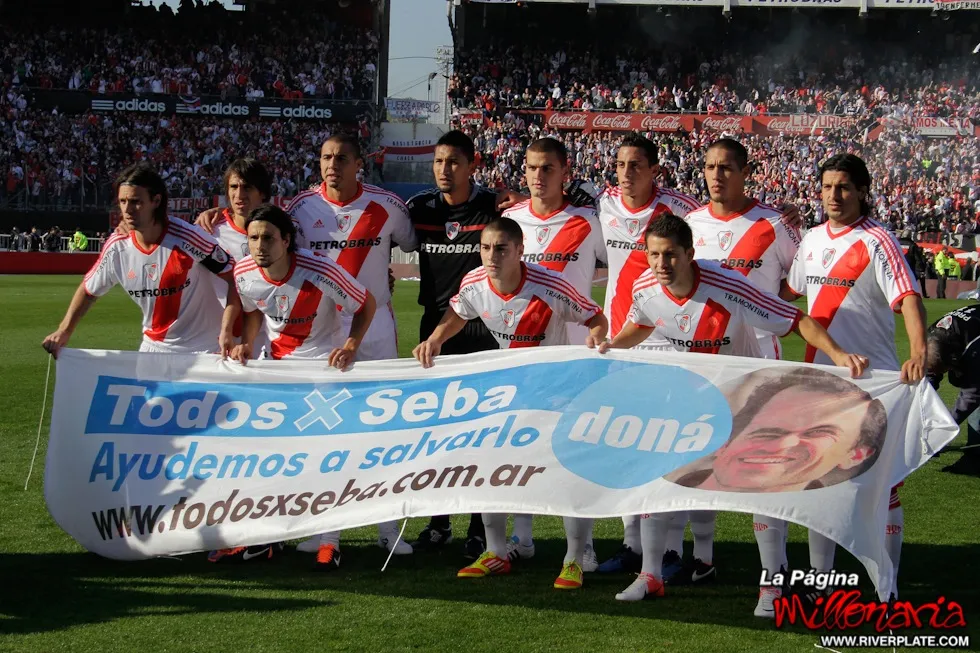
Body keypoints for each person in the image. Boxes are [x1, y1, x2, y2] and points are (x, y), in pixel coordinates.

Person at [598, 212, 868, 603]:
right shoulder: (645, 286)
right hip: (690, 403)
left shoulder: (728, 285)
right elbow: (641, 324)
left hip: (746, 404)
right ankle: (651, 575)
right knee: (658, 484)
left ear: (689, 254)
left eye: (670, 254)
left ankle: (772, 583)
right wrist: (612, 344)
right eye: (654, 255)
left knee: (763, 490)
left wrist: (839, 354)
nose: (661, 263)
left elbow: (796, 319)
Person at [413, 216, 609, 591]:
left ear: (520, 250)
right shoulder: (474, 282)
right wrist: (436, 338)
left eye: (501, 249)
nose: (492, 256)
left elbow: (595, 316)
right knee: (492, 470)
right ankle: (496, 553)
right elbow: (458, 313)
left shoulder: (551, 286)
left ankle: (574, 559)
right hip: (508, 394)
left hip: (556, 394)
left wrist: (596, 339)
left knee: (568, 476)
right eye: (486, 248)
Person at [782, 153, 927, 604]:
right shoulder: (810, 239)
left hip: (873, 382)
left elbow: (908, 298)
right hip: (821, 380)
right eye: (827, 187)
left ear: (862, 191)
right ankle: (819, 582)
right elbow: (788, 293)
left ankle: (888, 586)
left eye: (843, 187)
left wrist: (919, 352)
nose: (834, 195)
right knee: (818, 482)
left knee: (883, 488)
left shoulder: (878, 240)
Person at [207, 204, 377, 567]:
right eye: (253, 238)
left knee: (327, 459)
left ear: (286, 240)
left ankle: (330, 542)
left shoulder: (321, 270)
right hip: (278, 373)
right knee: (270, 458)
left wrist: (350, 346)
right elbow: (253, 310)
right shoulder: (244, 272)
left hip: (322, 372)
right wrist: (247, 342)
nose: (259, 246)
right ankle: (266, 538)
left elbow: (366, 304)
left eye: (268, 238)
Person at [286, 134, 418, 558]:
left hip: (375, 326)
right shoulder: (300, 209)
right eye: (326, 157)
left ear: (358, 163)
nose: (332, 164)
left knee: (383, 427)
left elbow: (415, 243)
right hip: (323, 331)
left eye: (341, 158)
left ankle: (388, 528)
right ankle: (325, 528)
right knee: (325, 432)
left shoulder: (387, 205)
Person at [684, 138, 802, 609]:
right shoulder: (691, 223)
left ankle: (773, 576)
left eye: (726, 167)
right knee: (698, 465)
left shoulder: (773, 224)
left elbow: (797, 283)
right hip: (704, 364)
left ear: (745, 172)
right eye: (710, 166)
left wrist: (765, 309)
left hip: (760, 367)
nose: (717, 175)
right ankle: (702, 559)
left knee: (763, 473)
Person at [594, 133, 702, 575]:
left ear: (655, 170)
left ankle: (672, 548)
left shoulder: (679, 209)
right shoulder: (602, 203)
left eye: (636, 165)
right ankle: (632, 544)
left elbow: (717, 227)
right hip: (622, 340)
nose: (626, 173)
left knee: (671, 447)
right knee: (628, 446)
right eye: (620, 164)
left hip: (669, 341)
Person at [500, 136, 606, 568]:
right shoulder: (510, 219)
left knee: (574, 455)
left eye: (547, 168)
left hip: (573, 358)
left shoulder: (589, 222)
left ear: (566, 172)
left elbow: (627, 263)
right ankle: (521, 538)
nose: (537, 176)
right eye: (531, 168)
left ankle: (583, 546)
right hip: (520, 357)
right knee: (519, 450)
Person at [406, 129, 501, 559]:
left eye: (454, 162)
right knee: (437, 433)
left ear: (472, 165)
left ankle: (480, 529)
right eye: (439, 161)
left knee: (482, 435)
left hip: (482, 328)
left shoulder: (492, 206)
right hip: (435, 330)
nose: (445, 169)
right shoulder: (419, 209)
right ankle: (439, 522)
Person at [42, 163, 239, 359]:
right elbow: (88, 291)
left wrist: (227, 329)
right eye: (123, 201)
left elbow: (233, 278)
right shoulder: (117, 247)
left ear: (156, 201)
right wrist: (64, 330)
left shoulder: (188, 238)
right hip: (153, 349)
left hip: (203, 350)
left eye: (136, 201)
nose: (127, 209)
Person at [667, 367, 887, 492]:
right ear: (726, 442)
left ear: (856, 455)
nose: (781, 444)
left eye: (817, 432)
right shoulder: (667, 486)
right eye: (768, 431)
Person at [926, 304, 980, 475]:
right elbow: (928, 377)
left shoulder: (974, 350)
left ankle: (975, 459)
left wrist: (942, 433)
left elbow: (971, 395)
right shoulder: (930, 338)